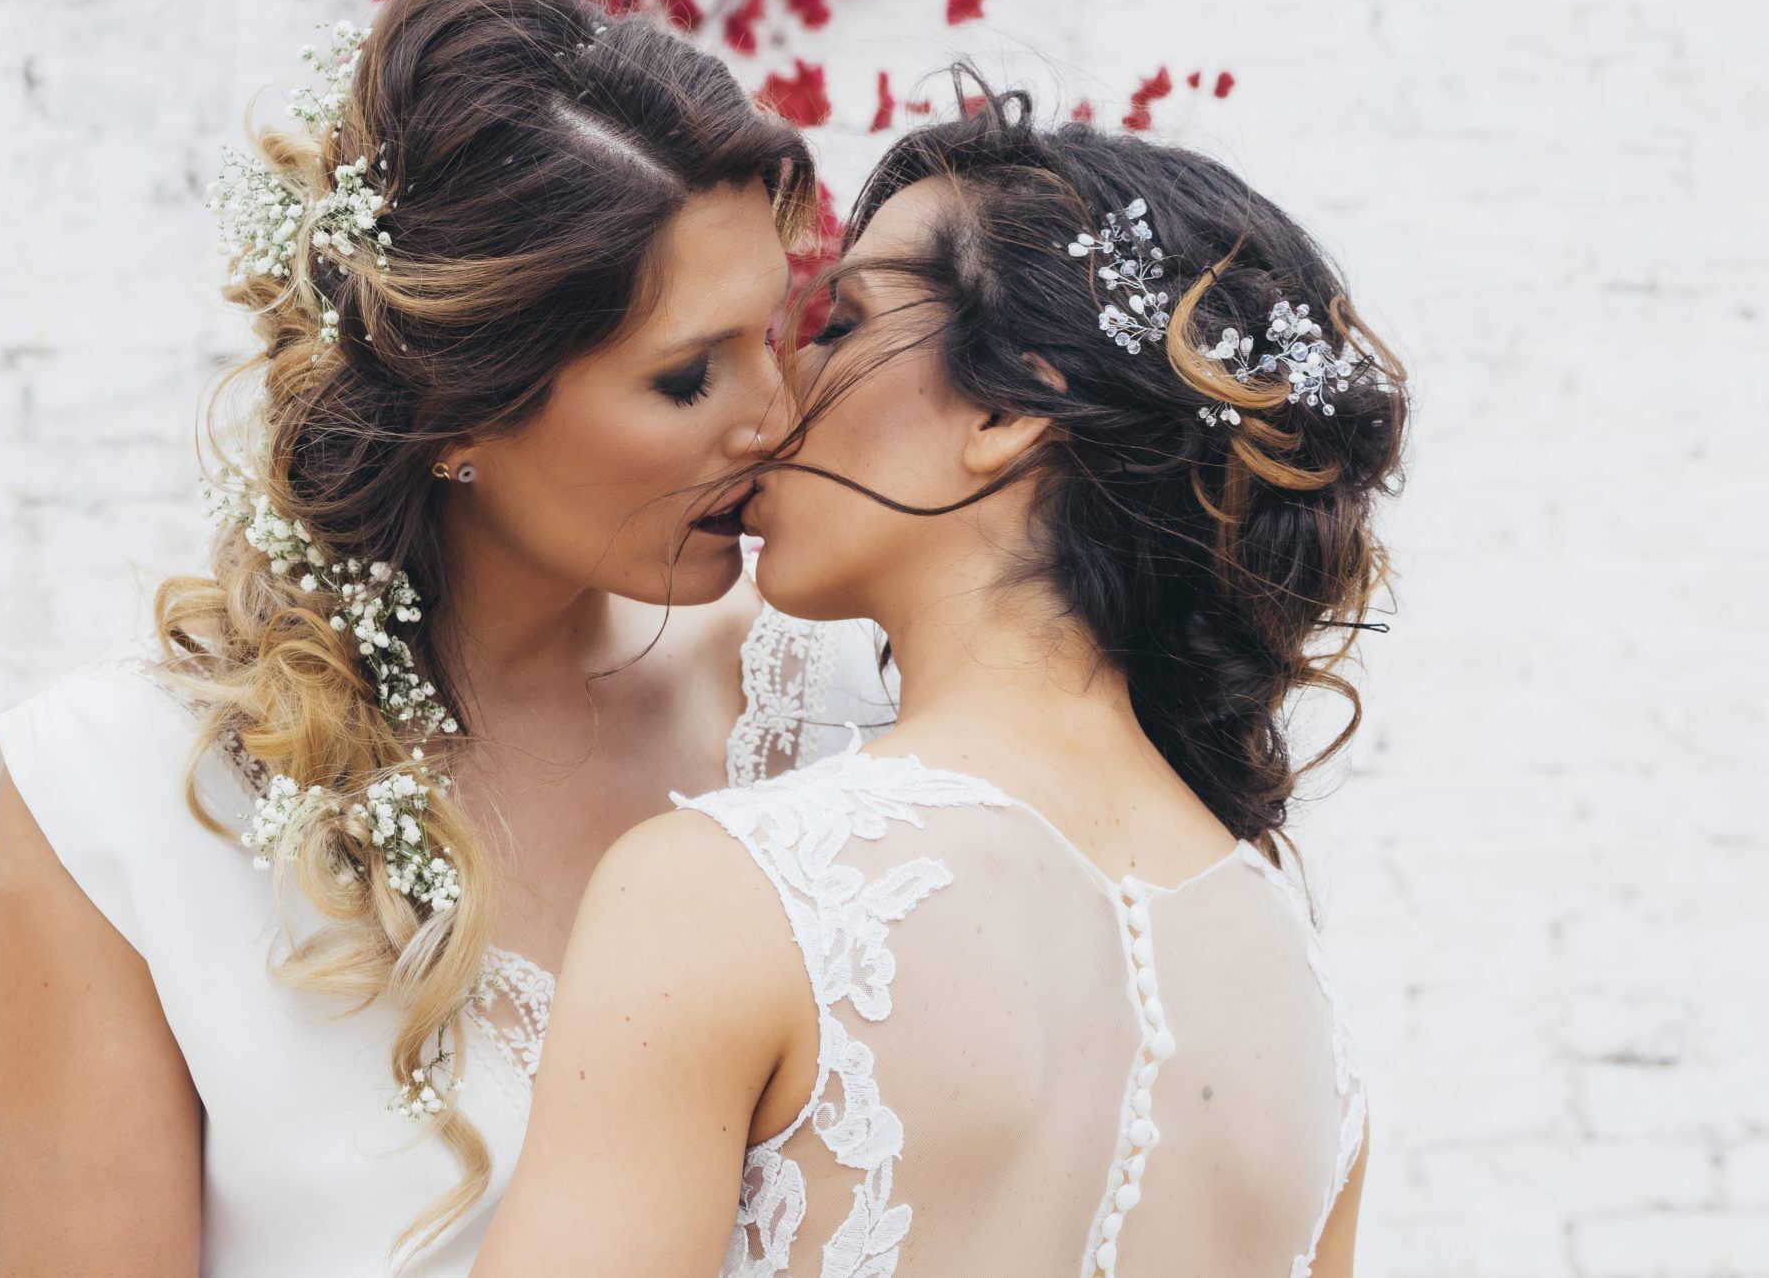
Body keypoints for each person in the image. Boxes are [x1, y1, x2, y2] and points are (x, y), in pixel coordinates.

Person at [0, 0, 892, 1277]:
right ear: (457, 412)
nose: (778, 417)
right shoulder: (110, 806)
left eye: (778, 331)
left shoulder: (834, 716)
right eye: (688, 375)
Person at [476, 84, 1407, 1277]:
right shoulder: (1299, 999)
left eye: (838, 324)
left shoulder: (733, 893)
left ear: (1011, 407)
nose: (777, 398)